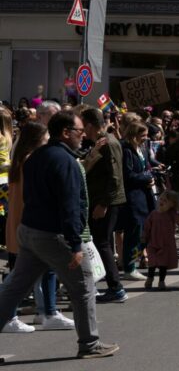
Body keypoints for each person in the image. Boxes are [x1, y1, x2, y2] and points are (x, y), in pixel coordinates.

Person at [0, 110, 118, 359]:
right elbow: (70, 205)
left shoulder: (35, 157)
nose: (83, 136)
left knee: (14, 289)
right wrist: (75, 244)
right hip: (55, 236)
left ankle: (89, 342)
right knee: (83, 287)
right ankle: (90, 344)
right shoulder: (65, 161)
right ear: (66, 133)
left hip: (31, 231)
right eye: (79, 131)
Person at [2, 122, 75, 333]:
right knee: (23, 276)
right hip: (30, 223)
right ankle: (25, 314)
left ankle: (46, 311)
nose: (48, 143)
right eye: (45, 139)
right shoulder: (30, 161)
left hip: (20, 223)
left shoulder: (21, 161)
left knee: (30, 273)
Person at [79, 107, 128, 304]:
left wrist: (103, 204)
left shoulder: (108, 143)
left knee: (102, 243)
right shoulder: (100, 143)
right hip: (101, 199)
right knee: (102, 242)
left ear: (91, 125)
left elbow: (115, 177)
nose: (83, 131)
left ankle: (116, 287)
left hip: (106, 201)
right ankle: (112, 285)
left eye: (84, 127)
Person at [118, 123, 156, 281]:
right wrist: (146, 178)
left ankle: (134, 263)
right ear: (134, 135)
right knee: (133, 234)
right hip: (133, 198)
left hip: (144, 196)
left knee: (140, 233)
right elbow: (128, 175)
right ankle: (129, 267)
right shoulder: (126, 151)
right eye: (143, 135)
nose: (146, 138)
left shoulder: (143, 150)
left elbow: (147, 167)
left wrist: (151, 175)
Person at [142, 190, 179, 290]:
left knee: (163, 264)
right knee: (152, 263)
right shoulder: (153, 214)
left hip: (166, 244)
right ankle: (150, 279)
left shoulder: (172, 214)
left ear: (172, 204)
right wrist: (144, 237)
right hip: (153, 243)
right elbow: (147, 226)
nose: (162, 201)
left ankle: (161, 281)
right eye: (161, 199)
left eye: (166, 201)